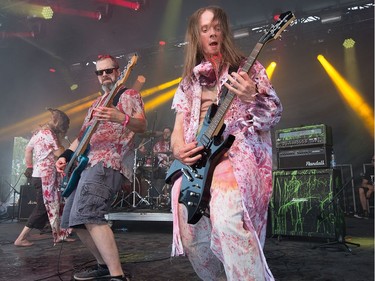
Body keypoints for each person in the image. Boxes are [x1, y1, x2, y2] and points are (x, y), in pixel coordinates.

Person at [168, 6, 282, 280]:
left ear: (225, 31)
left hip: (235, 158)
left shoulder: (249, 68)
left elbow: (274, 115)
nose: (212, 33)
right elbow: (178, 130)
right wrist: (177, 148)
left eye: (217, 27)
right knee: (191, 235)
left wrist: (252, 96)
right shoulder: (188, 82)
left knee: (229, 224)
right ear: (197, 36)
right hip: (196, 164)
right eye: (205, 29)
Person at [56, 54, 147, 281]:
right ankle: (103, 266)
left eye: (109, 70)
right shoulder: (95, 104)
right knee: (72, 219)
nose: (105, 75)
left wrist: (121, 117)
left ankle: (117, 275)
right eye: (100, 72)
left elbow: (142, 125)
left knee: (90, 213)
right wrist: (66, 157)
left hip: (108, 162)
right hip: (86, 164)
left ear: (118, 71)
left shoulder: (129, 95)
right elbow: (82, 137)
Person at [14, 108, 73, 247]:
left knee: (55, 204)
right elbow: (59, 153)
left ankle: (59, 235)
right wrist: (65, 148)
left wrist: (30, 167)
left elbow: (28, 150)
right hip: (45, 176)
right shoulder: (49, 134)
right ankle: (21, 238)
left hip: (39, 174)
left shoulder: (39, 133)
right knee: (42, 207)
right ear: (59, 123)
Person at [152, 127, 173, 204]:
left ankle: (171, 200)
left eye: (167, 132)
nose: (165, 134)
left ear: (171, 134)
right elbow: (153, 155)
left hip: (173, 167)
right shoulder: (157, 145)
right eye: (164, 132)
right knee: (158, 176)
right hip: (161, 168)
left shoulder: (174, 144)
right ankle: (158, 200)